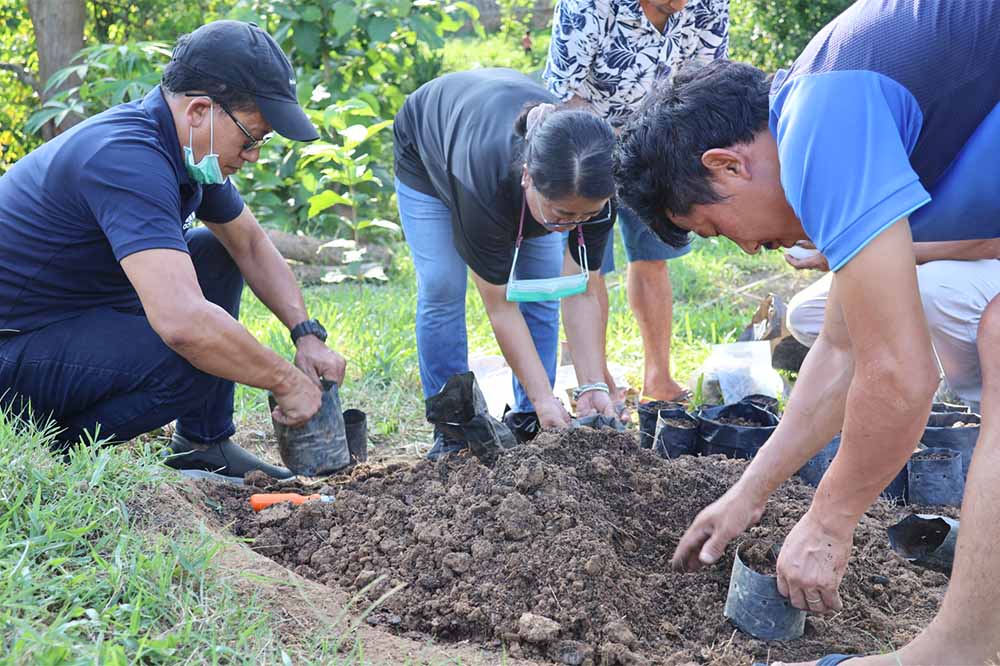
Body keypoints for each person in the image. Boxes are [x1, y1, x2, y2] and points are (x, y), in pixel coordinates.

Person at [616, 1, 1000, 663]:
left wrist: (829, 521)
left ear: (728, 166)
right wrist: (749, 494)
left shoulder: (820, 120)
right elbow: (844, 347)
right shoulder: (832, 99)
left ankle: (963, 650)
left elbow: (900, 376)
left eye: (713, 229)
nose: (743, 250)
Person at [0, 21, 346, 484]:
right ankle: (52, 450)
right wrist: (285, 380)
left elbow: (249, 243)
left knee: (214, 251)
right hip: (15, 344)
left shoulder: (183, 150)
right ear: (200, 111)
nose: (254, 156)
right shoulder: (127, 160)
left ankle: (204, 445)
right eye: (251, 138)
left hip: (66, 317)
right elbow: (184, 325)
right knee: (194, 358)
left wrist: (306, 335)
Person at [393, 68, 618, 459]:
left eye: (584, 216)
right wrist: (548, 397)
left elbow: (580, 291)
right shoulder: (482, 182)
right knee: (443, 284)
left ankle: (533, 416)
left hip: (499, 144)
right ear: (529, 178)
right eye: (562, 214)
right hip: (429, 148)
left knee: (544, 288)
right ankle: (452, 426)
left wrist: (592, 384)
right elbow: (501, 306)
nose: (569, 226)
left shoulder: (596, 189)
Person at [543, 0, 729, 406]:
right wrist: (602, 155)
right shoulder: (588, 5)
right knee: (588, 265)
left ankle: (658, 377)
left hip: (659, 143)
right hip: (590, 146)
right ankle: (598, 377)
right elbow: (563, 91)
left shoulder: (708, 4)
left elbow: (710, 81)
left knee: (653, 257)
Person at [786, 241, 1000, 414]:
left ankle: (977, 403)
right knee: (807, 314)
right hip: (906, 249)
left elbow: (988, 242)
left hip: (983, 257)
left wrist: (866, 251)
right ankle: (899, 387)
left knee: (935, 290)